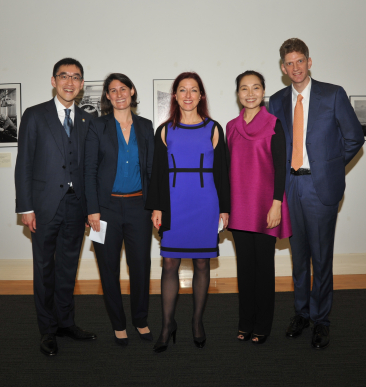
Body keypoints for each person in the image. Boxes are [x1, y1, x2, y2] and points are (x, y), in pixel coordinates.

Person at [268, 38, 364, 349]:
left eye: (300, 61)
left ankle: (321, 320)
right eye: (289, 63)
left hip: (320, 186)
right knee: (299, 258)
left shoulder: (333, 94)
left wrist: (330, 168)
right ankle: (301, 313)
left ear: (309, 62)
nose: (295, 67)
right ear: (283, 68)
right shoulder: (277, 101)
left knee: (321, 259)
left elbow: (354, 138)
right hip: (290, 186)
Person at [15, 57, 97, 357]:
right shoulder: (35, 116)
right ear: (53, 81)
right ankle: (47, 330)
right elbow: (23, 163)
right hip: (44, 207)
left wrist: (90, 208)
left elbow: (90, 168)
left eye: (76, 77)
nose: (69, 82)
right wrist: (25, 207)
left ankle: (66, 323)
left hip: (76, 208)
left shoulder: (88, 119)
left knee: (67, 269)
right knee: (44, 269)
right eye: (63, 76)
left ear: (82, 84)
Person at [146, 72, 230, 353]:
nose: (188, 95)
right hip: (173, 202)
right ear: (175, 95)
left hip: (206, 202)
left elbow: (223, 173)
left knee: (202, 264)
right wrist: (157, 206)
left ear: (201, 96)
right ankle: (167, 324)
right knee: (169, 263)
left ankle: (196, 322)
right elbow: (157, 173)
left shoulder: (214, 128)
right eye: (182, 90)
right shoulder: (165, 130)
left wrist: (225, 209)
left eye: (194, 90)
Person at [84, 73, 155, 346]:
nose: (118, 94)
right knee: (108, 268)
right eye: (112, 91)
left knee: (140, 267)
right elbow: (88, 171)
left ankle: (140, 319)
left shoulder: (146, 126)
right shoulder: (96, 127)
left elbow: (152, 171)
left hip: (139, 207)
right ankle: (118, 324)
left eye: (122, 88)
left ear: (132, 91)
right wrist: (92, 210)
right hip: (106, 209)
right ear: (108, 97)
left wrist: (156, 206)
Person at [226, 70, 292, 345]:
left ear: (264, 92)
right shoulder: (230, 126)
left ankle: (262, 325)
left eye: (255, 88)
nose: (250, 93)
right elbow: (225, 168)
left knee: (264, 269)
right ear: (238, 93)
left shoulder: (274, 123)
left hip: (267, 207)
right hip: (239, 206)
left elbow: (281, 168)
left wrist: (277, 204)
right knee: (245, 269)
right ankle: (245, 322)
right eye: (244, 88)